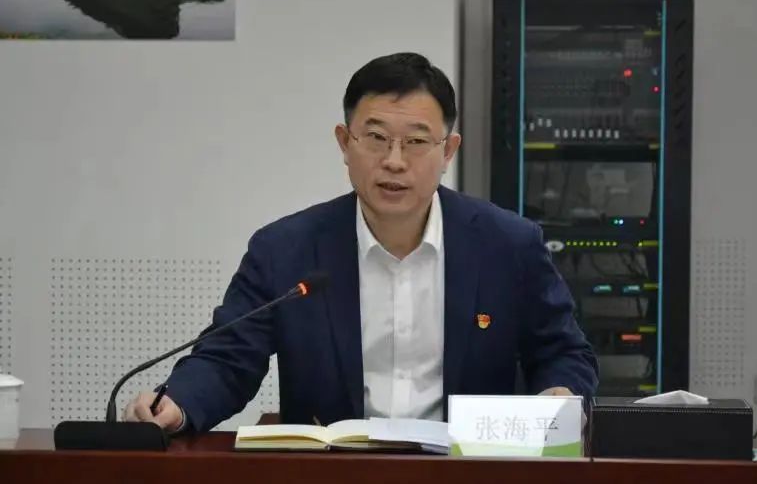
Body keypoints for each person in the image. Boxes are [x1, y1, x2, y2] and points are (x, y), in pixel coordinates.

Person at [124, 52, 598, 433]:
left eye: (416, 142)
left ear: (448, 151)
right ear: (344, 143)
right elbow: (228, 359)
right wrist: (178, 404)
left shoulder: (508, 246)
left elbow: (563, 352)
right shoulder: (285, 250)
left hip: (467, 472)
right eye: (375, 138)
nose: (394, 161)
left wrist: (559, 396)